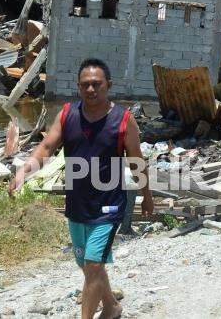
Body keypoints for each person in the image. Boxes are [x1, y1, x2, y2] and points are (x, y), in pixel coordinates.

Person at [9, 58, 154, 319]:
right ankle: (111, 307)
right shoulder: (67, 115)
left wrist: (146, 196)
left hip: (108, 207)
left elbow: (136, 160)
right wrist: (23, 171)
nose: (91, 89)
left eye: (96, 84)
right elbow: (46, 147)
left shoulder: (123, 120)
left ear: (108, 85)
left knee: (93, 263)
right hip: (77, 205)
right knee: (88, 267)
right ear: (78, 87)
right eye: (85, 85)